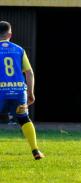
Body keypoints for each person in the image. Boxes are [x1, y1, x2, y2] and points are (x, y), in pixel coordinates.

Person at [0, 21, 44, 160]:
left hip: (1, 92)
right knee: (24, 119)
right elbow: (29, 72)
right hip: (19, 92)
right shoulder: (19, 50)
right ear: (10, 34)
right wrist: (30, 93)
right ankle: (35, 150)